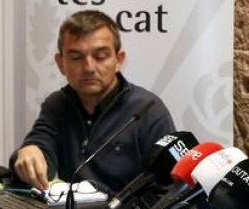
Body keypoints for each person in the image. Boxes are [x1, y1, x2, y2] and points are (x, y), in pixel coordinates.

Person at [11, 10, 175, 194]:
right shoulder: (57, 104)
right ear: (60, 63)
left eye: (100, 56)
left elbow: (168, 191)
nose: (88, 67)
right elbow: (41, 152)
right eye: (76, 58)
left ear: (119, 60)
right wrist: (29, 152)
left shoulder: (148, 110)